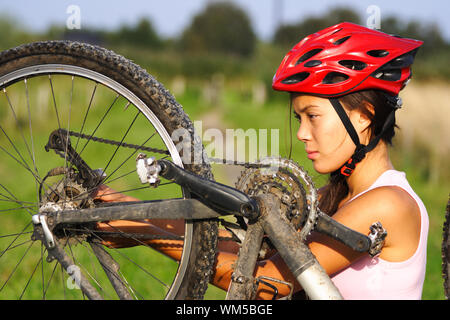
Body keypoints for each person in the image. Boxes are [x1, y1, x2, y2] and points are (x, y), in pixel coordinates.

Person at [94, 22, 429, 300]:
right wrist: (135, 211)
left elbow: (267, 280)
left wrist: (145, 231)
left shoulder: (389, 204)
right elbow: (258, 254)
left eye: (312, 116)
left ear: (363, 118)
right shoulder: (337, 196)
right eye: (299, 119)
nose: (302, 134)